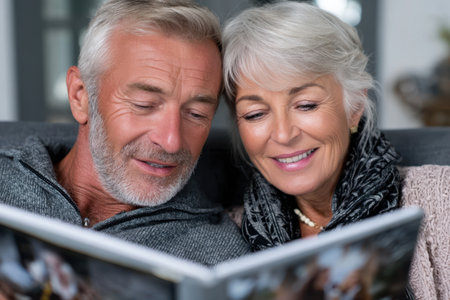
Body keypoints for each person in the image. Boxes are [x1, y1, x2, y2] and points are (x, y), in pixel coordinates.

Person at [222, 2, 450, 299]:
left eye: (306, 105)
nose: (283, 134)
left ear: (354, 108)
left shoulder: (440, 200)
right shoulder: (228, 237)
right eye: (255, 114)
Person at [0, 0, 250, 265]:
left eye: (196, 114)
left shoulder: (219, 257)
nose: (171, 141)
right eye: (144, 105)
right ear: (80, 97)